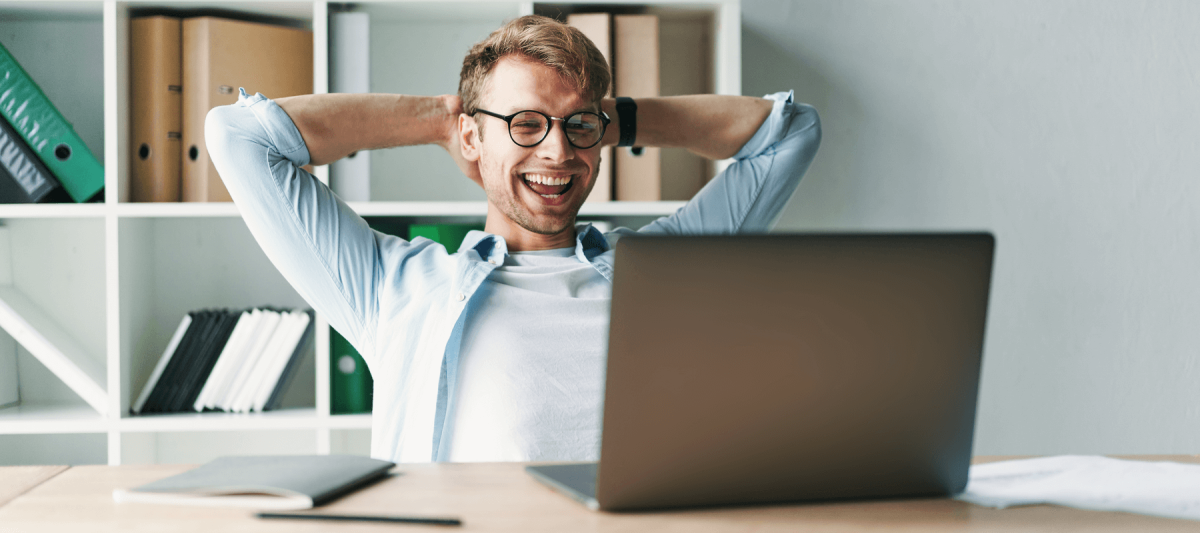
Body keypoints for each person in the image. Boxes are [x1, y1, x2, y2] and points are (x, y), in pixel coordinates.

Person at [205, 14, 820, 464]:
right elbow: (239, 137)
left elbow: (792, 134)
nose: (558, 150)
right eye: (525, 124)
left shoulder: (665, 268)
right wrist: (441, 117)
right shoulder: (394, 289)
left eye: (577, 126)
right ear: (473, 139)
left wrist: (611, 118)